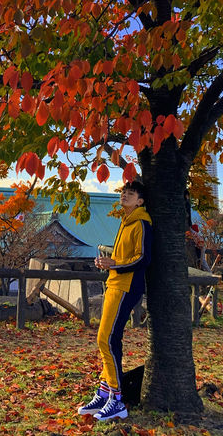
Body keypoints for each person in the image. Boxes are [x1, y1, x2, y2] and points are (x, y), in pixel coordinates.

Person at [77, 180, 152, 422]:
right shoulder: (126, 220)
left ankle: (117, 400)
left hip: (126, 286)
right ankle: (105, 391)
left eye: (131, 193)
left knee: (106, 339)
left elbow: (143, 258)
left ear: (140, 200)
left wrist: (115, 264)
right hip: (115, 283)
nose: (125, 195)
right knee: (108, 339)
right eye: (123, 192)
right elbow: (125, 256)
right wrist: (109, 262)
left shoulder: (141, 222)